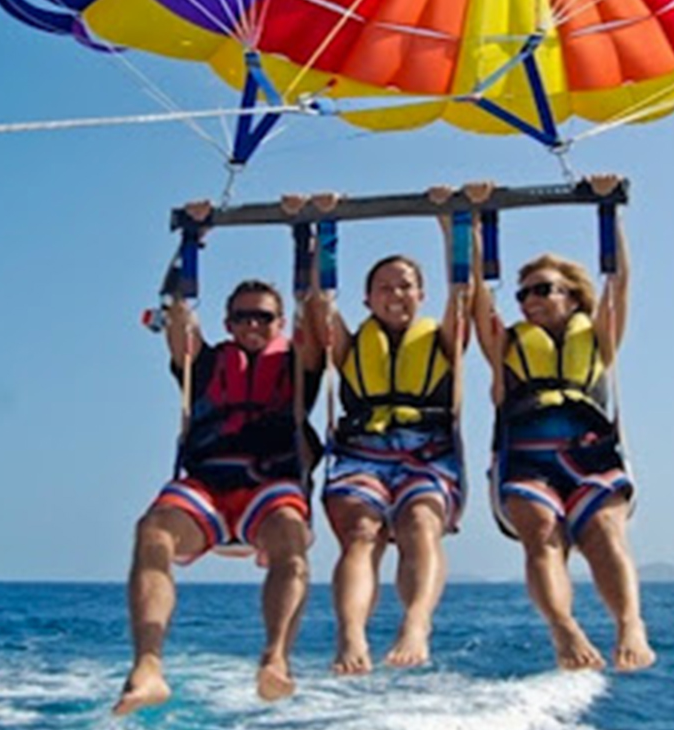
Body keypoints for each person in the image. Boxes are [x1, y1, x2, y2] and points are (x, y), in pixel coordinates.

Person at [114, 200, 322, 714]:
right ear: (228, 321)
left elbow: (316, 303)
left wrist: (308, 236)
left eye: (264, 317)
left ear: (279, 323)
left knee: (292, 540)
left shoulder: (299, 363)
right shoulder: (203, 364)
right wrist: (191, 240)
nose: (253, 325)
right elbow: (176, 304)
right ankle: (147, 667)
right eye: (243, 316)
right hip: (206, 484)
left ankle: (275, 659)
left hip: (271, 483)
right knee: (152, 531)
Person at [468, 175, 657, 672]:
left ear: (572, 297)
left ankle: (629, 624)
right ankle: (564, 629)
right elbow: (476, 297)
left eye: (542, 290)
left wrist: (608, 211)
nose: (529, 300)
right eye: (524, 292)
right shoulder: (509, 346)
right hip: (527, 459)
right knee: (540, 532)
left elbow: (621, 281)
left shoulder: (598, 340)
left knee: (603, 533)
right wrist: (475, 220)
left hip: (590, 453)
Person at [305, 187, 472, 674]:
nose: (396, 294)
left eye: (405, 286)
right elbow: (319, 299)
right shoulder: (351, 345)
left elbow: (465, 291)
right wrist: (321, 229)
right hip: (361, 453)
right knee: (361, 533)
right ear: (368, 298)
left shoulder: (441, 340)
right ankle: (351, 633)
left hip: (428, 452)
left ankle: (416, 622)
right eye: (384, 286)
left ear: (421, 294)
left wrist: (452, 224)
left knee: (420, 522)